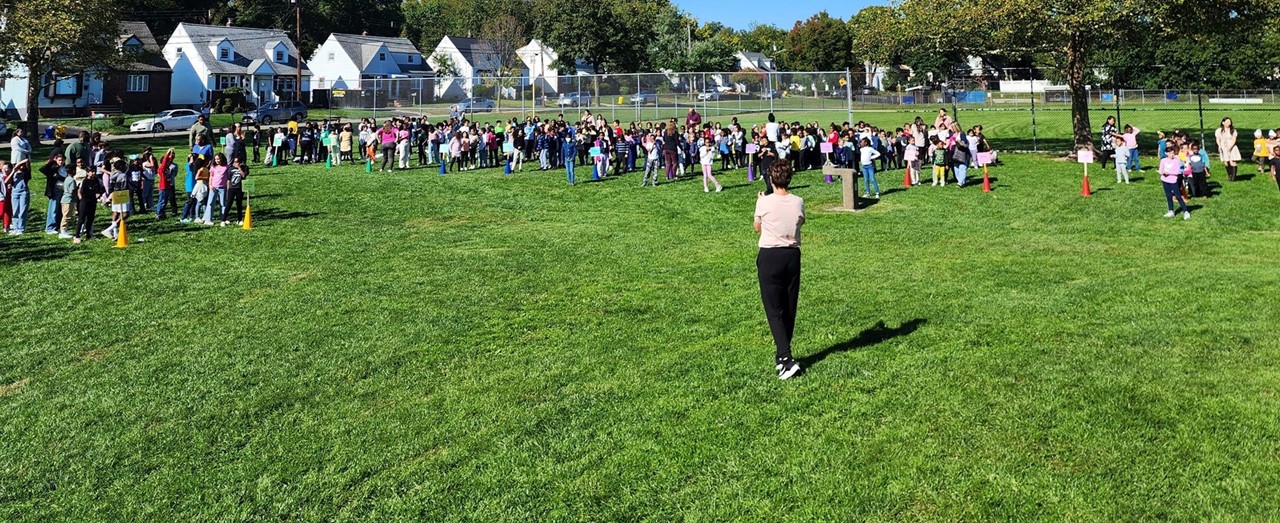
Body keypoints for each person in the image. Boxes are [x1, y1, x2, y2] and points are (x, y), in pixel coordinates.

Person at [755, 162, 805, 380]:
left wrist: (760, 204)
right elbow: (800, 222)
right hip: (792, 255)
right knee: (788, 305)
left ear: (771, 179)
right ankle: (782, 354)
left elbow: (757, 227)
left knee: (774, 308)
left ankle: (786, 358)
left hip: (770, 256)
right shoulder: (798, 201)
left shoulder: (764, 202)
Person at [73, 163, 103, 244]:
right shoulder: (85, 181)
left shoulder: (96, 180)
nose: (93, 173)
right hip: (85, 201)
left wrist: (98, 193)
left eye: (94, 171)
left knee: (90, 218)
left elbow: (99, 189)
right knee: (81, 218)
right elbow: (82, 191)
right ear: (87, 172)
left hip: (93, 201)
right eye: (91, 171)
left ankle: (89, 235)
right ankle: (77, 236)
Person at [1158, 144, 1190, 220]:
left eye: (1173, 153)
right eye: (1170, 153)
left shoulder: (1176, 161)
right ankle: (1171, 210)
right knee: (1168, 196)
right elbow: (1160, 170)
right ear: (1166, 153)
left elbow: (1176, 172)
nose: (1171, 154)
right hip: (1165, 180)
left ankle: (1186, 211)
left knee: (1178, 196)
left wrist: (1168, 173)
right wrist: (1162, 172)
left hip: (1173, 180)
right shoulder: (1163, 160)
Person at [39, 154, 67, 234]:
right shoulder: (53, 169)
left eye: (62, 160)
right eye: (59, 160)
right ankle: (50, 227)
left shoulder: (65, 169)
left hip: (63, 191)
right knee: (53, 209)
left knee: (60, 210)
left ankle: (57, 226)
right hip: (55, 191)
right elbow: (42, 169)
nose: (61, 162)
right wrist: (51, 162)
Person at [227, 156, 249, 225]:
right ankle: (225, 218)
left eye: (237, 162)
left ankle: (239, 219)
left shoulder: (244, 168)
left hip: (240, 188)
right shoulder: (230, 169)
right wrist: (228, 188)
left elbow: (244, 176)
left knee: (239, 204)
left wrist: (239, 168)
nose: (236, 163)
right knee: (229, 203)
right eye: (235, 162)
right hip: (232, 188)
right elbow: (228, 179)